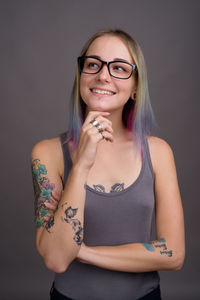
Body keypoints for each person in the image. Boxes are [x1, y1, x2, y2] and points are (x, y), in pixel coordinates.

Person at [31, 29, 185, 300]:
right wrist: (80, 167)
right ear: (81, 76)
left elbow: (173, 254)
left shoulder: (158, 152)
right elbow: (56, 260)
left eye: (119, 68)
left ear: (136, 86)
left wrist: (82, 252)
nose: (103, 75)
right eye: (93, 64)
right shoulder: (47, 153)